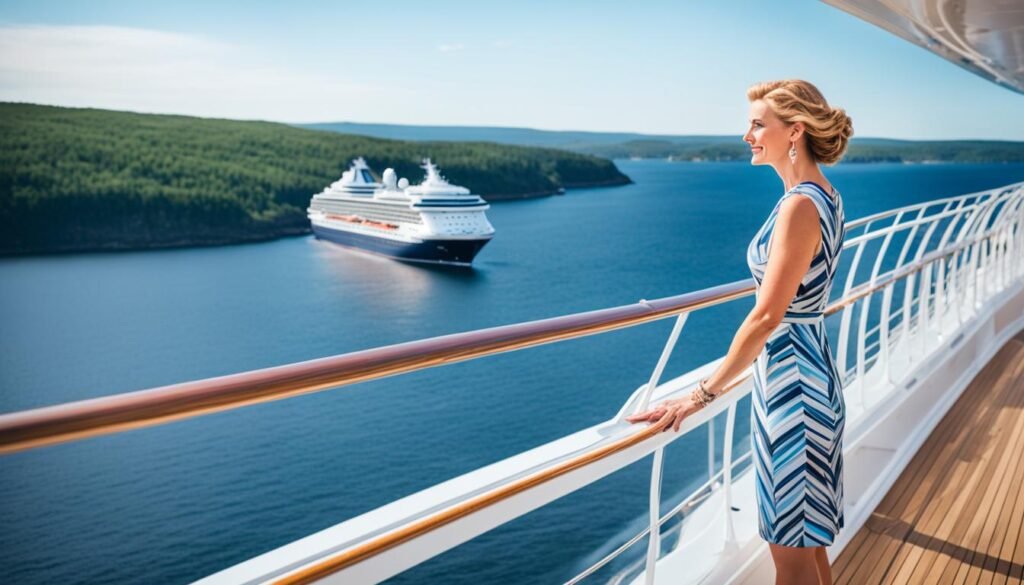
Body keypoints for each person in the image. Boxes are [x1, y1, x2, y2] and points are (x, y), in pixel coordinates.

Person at [627, 79, 854, 585]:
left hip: (793, 390)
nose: (747, 134)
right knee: (807, 548)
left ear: (794, 131)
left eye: (757, 124)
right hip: (808, 374)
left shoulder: (799, 206)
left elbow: (767, 316)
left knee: (790, 559)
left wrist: (699, 395)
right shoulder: (825, 197)